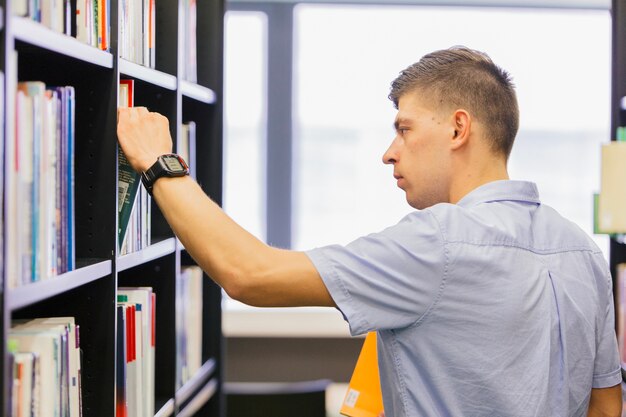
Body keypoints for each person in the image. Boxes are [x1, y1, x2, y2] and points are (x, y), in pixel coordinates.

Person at [117, 46, 622, 416]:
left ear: (458, 128)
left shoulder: (436, 243)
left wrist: (160, 165)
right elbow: (605, 407)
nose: (389, 151)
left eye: (404, 128)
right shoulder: (582, 251)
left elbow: (249, 274)